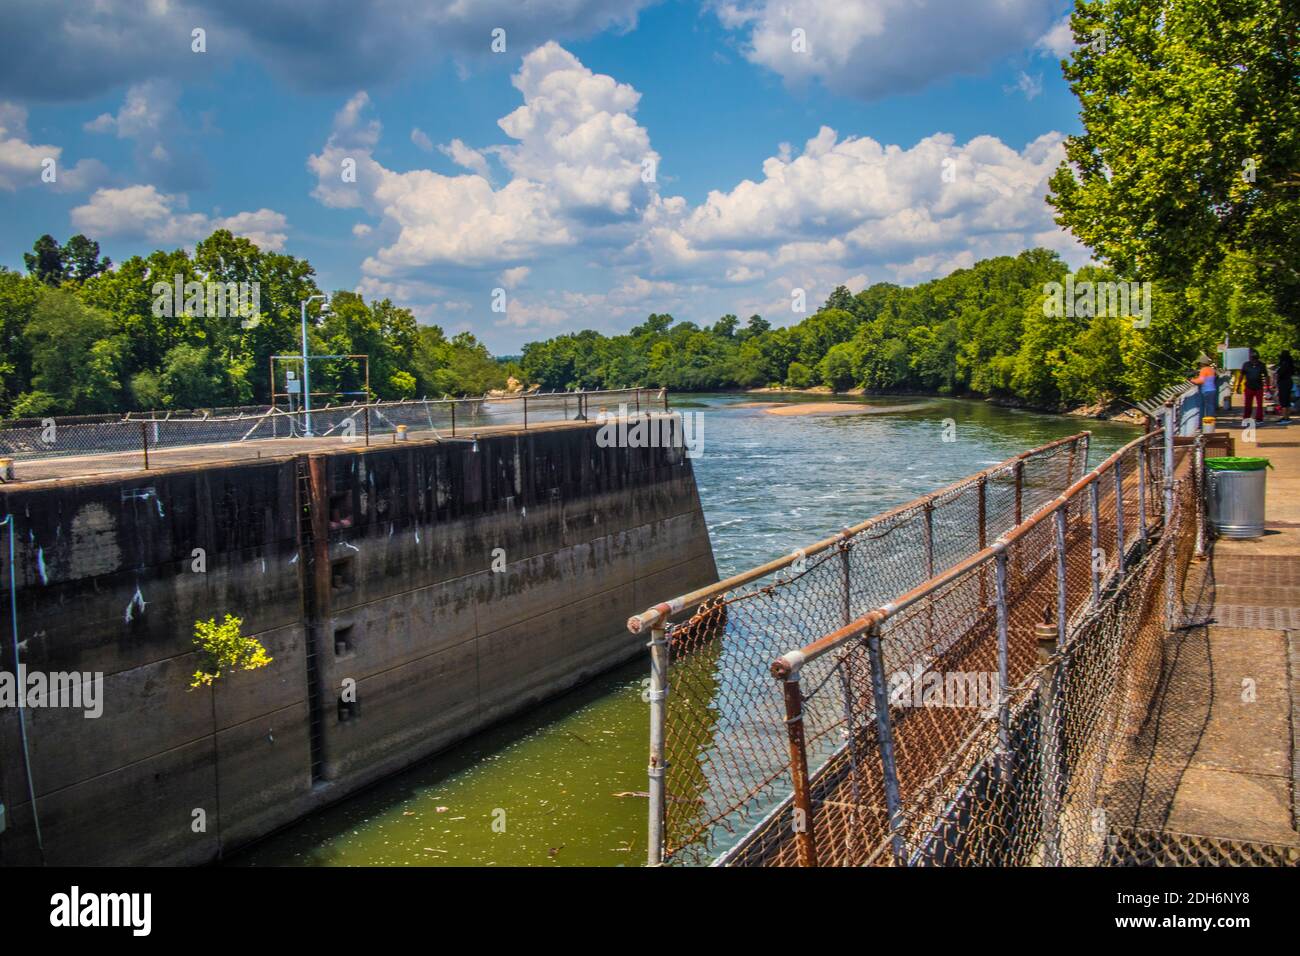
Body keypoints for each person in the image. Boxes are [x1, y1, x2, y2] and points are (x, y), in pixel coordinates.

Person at [1241, 348, 1269, 424]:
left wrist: (1268, 387)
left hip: (1258, 387)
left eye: (1255, 359)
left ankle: (1259, 419)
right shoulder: (1246, 364)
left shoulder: (1261, 365)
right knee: (1248, 404)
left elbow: (1266, 376)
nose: (1254, 361)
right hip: (1249, 387)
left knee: (1259, 404)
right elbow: (1242, 375)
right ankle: (1246, 418)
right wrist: (1238, 386)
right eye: (1253, 359)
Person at [1276, 350, 1294, 423]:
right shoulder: (1290, 363)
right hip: (1289, 381)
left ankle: (1285, 418)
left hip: (1284, 382)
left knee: (1283, 400)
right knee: (1287, 400)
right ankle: (1287, 417)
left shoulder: (1284, 364)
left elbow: (1280, 373)